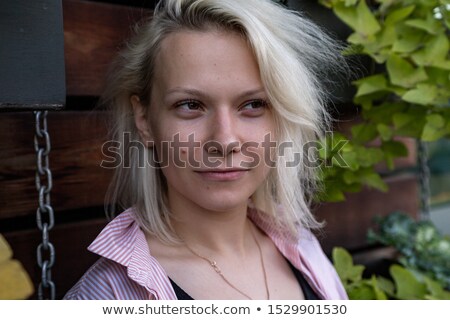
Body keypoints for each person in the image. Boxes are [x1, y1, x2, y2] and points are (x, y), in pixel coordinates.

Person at [65, 0, 348, 300]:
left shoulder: (304, 251)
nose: (225, 141)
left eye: (253, 105)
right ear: (145, 120)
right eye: (190, 105)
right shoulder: (108, 295)